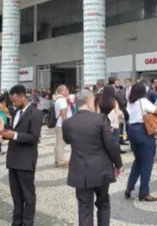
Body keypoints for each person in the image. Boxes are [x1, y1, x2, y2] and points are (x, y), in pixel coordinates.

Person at [63, 90, 123, 226]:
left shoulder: (68, 123)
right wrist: (118, 164)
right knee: (103, 203)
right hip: (100, 168)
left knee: (84, 207)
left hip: (79, 169)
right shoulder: (100, 118)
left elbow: (67, 140)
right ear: (90, 100)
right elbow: (110, 144)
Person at [0, 84, 43, 226]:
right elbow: (14, 132)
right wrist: (6, 134)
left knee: (28, 195)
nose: (13, 103)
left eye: (15, 100)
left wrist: (15, 135)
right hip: (13, 158)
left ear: (22, 96)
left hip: (25, 159)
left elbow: (33, 138)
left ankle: (27, 222)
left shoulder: (35, 113)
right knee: (16, 195)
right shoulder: (15, 112)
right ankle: (16, 222)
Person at [125, 82, 157, 202]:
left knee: (138, 160)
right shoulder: (143, 101)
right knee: (147, 163)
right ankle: (144, 192)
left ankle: (130, 187)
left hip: (132, 130)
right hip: (143, 131)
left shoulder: (130, 102)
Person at [54, 85, 72, 168]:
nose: (67, 91)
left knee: (58, 144)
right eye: (66, 90)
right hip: (62, 125)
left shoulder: (57, 99)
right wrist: (67, 125)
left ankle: (57, 160)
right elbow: (63, 113)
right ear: (62, 91)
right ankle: (61, 162)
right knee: (61, 144)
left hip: (58, 124)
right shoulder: (62, 101)